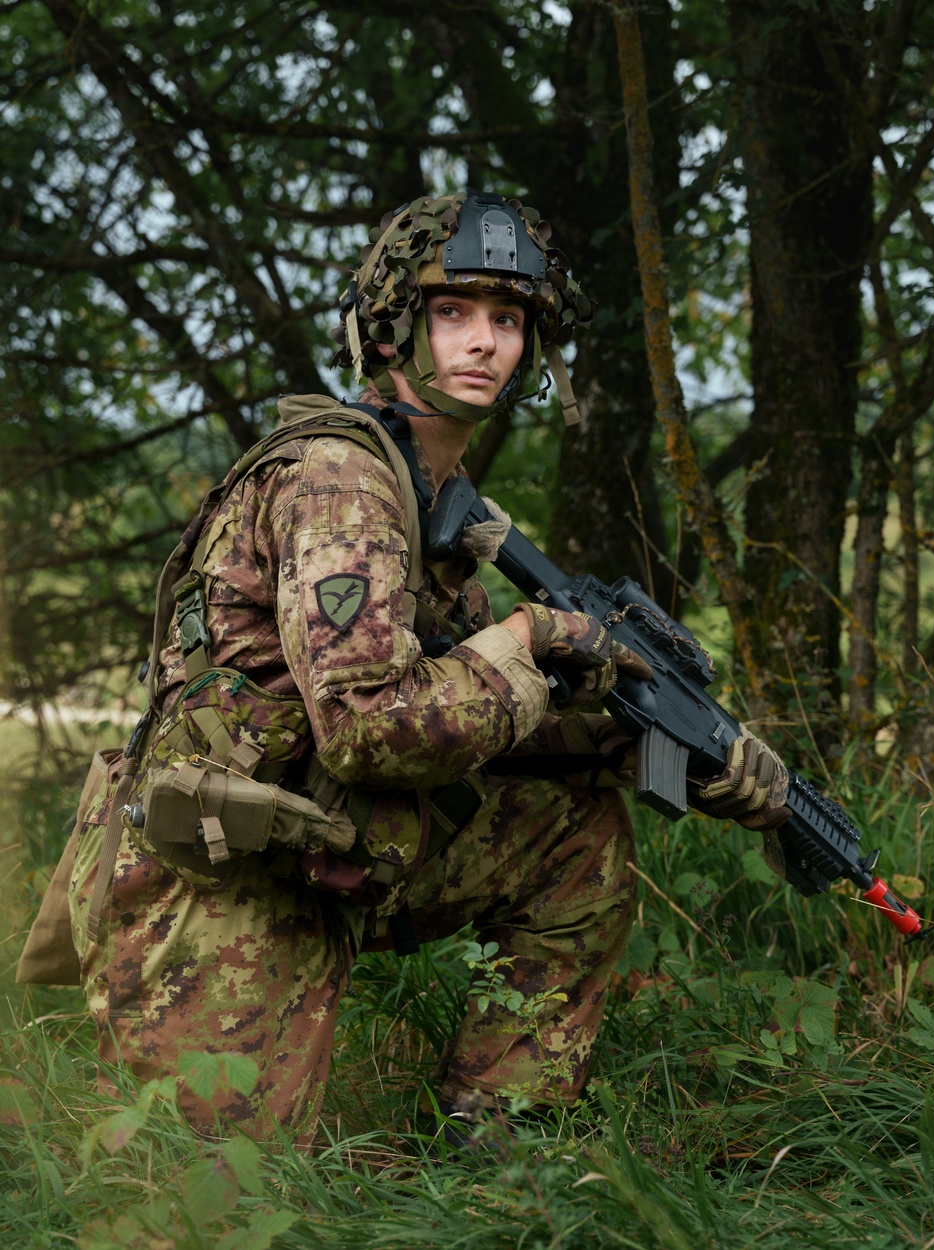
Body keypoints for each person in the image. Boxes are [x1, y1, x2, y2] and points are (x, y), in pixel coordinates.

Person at [66, 191, 789, 1148]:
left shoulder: (427, 490)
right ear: (396, 325)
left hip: (319, 846)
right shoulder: (343, 482)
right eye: (454, 312)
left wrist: (656, 745)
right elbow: (375, 731)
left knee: (575, 837)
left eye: (509, 318)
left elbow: (471, 720)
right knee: (219, 1198)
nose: (485, 342)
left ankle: (499, 1145)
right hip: (217, 885)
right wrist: (530, 637)